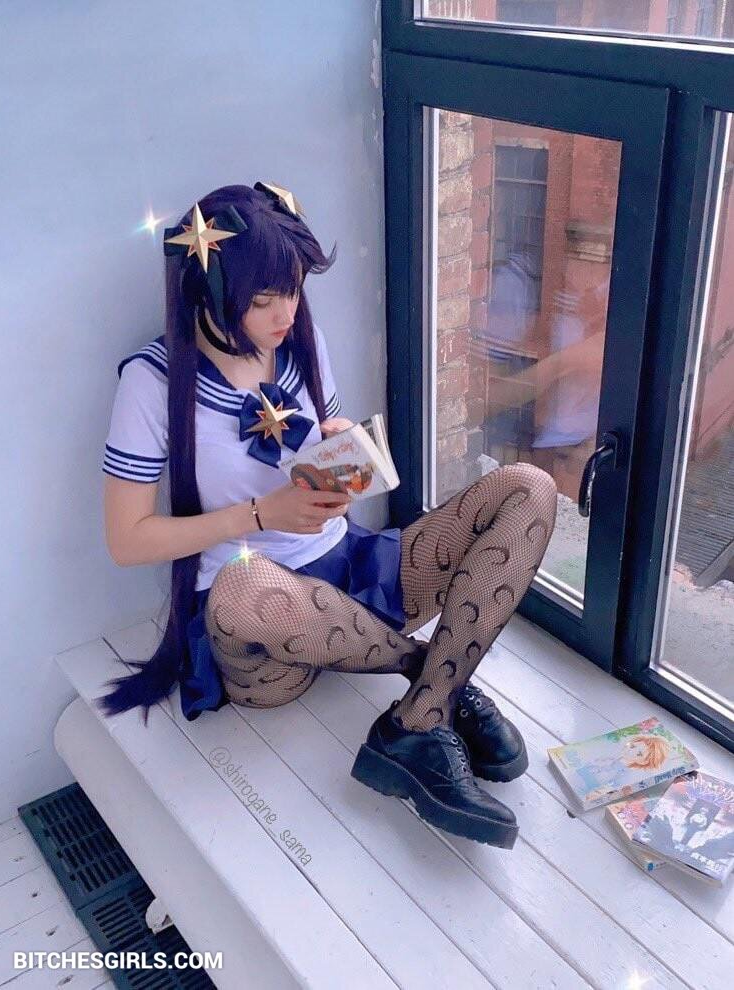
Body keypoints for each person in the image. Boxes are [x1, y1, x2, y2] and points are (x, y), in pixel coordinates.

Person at [97, 183, 558, 849]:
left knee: (528, 488)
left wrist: (343, 450)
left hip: (352, 573)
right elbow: (127, 540)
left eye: (293, 289)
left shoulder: (300, 341)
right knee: (246, 583)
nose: (286, 312)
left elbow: (323, 462)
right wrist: (262, 515)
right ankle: (436, 674)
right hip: (260, 624)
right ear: (207, 288)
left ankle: (419, 721)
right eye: (263, 298)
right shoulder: (154, 380)